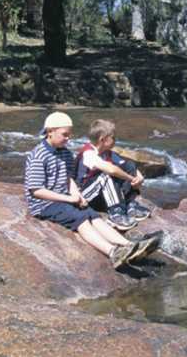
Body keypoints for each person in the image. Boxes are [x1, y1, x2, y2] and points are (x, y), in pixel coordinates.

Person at [24, 112, 158, 269]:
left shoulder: (66, 153)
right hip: (45, 204)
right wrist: (68, 199)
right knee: (80, 218)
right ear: (50, 132)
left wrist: (76, 194)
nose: (68, 138)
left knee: (92, 215)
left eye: (69, 135)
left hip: (65, 197)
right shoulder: (38, 155)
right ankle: (113, 252)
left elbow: (68, 178)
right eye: (64, 135)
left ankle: (129, 245)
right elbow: (36, 190)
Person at [75, 119, 152, 231]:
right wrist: (131, 179)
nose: (115, 140)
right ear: (103, 139)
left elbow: (127, 165)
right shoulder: (88, 153)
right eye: (113, 137)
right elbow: (112, 170)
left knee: (129, 165)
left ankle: (130, 204)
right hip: (86, 195)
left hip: (100, 194)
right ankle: (116, 212)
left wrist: (139, 177)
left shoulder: (108, 153)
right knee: (105, 175)